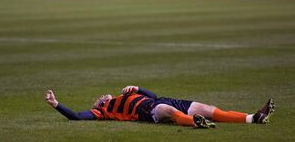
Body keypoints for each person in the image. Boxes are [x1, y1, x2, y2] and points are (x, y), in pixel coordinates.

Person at [45, 86, 275, 128]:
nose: (101, 96)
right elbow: (75, 116)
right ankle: (195, 123)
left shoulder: (125, 93)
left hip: (159, 99)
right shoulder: (103, 111)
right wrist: (57, 105)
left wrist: (138, 87)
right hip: (149, 112)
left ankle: (252, 118)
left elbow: (152, 95)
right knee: (167, 112)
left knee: (207, 107)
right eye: (98, 98)